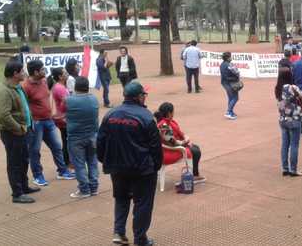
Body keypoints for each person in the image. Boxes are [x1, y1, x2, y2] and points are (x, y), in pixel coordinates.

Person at [97, 81, 162, 246]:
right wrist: (155, 166)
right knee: (143, 203)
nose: (145, 97)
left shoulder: (110, 115)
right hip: (142, 169)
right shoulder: (147, 117)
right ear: (139, 97)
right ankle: (140, 239)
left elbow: (100, 142)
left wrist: (105, 160)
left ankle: (119, 232)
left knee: (121, 198)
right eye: (144, 95)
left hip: (117, 167)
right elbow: (155, 147)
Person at [23, 60, 75, 186]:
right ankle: (38, 175)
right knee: (35, 150)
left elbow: (49, 97)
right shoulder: (26, 87)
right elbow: (23, 106)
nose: (44, 71)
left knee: (57, 147)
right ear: (35, 72)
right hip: (36, 123)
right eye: (42, 69)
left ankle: (62, 171)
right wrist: (31, 121)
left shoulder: (44, 81)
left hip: (48, 120)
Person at [0, 60, 40, 203]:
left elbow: (24, 107)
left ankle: (23, 186)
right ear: (15, 74)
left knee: (23, 160)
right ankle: (17, 193)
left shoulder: (17, 87)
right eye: (22, 71)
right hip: (13, 133)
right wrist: (19, 128)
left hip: (24, 130)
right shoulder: (4, 91)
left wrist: (28, 126)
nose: (24, 73)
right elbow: (3, 115)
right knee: (14, 162)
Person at [154, 102, 206, 183]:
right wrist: (184, 142)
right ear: (169, 113)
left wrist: (185, 139)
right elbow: (172, 142)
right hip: (168, 151)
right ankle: (194, 175)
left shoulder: (168, 122)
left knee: (195, 148)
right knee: (195, 151)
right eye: (173, 112)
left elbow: (179, 132)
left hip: (171, 147)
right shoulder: (163, 125)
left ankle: (193, 172)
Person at [66, 76, 100, 199]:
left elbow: (57, 113)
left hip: (76, 137)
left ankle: (84, 190)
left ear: (76, 87)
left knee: (79, 164)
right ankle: (94, 188)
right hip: (92, 135)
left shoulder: (69, 100)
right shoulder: (94, 99)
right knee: (92, 162)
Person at [275, 68, 302, 177]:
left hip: (283, 119)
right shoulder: (292, 87)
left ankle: (285, 168)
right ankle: (293, 169)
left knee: (285, 145)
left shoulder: (278, 88)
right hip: (294, 119)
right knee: (294, 145)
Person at [48, 68, 71, 168]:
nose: (67, 73)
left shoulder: (59, 86)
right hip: (63, 118)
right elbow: (67, 103)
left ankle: (67, 161)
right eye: (65, 73)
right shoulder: (60, 88)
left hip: (61, 117)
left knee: (66, 139)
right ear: (60, 77)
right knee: (68, 141)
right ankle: (67, 162)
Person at [220, 52, 241, 120]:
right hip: (231, 83)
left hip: (225, 83)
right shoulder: (229, 65)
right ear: (227, 58)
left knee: (230, 97)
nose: (231, 58)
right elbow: (236, 72)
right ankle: (228, 112)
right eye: (230, 57)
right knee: (235, 98)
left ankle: (231, 112)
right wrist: (237, 76)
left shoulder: (222, 64)